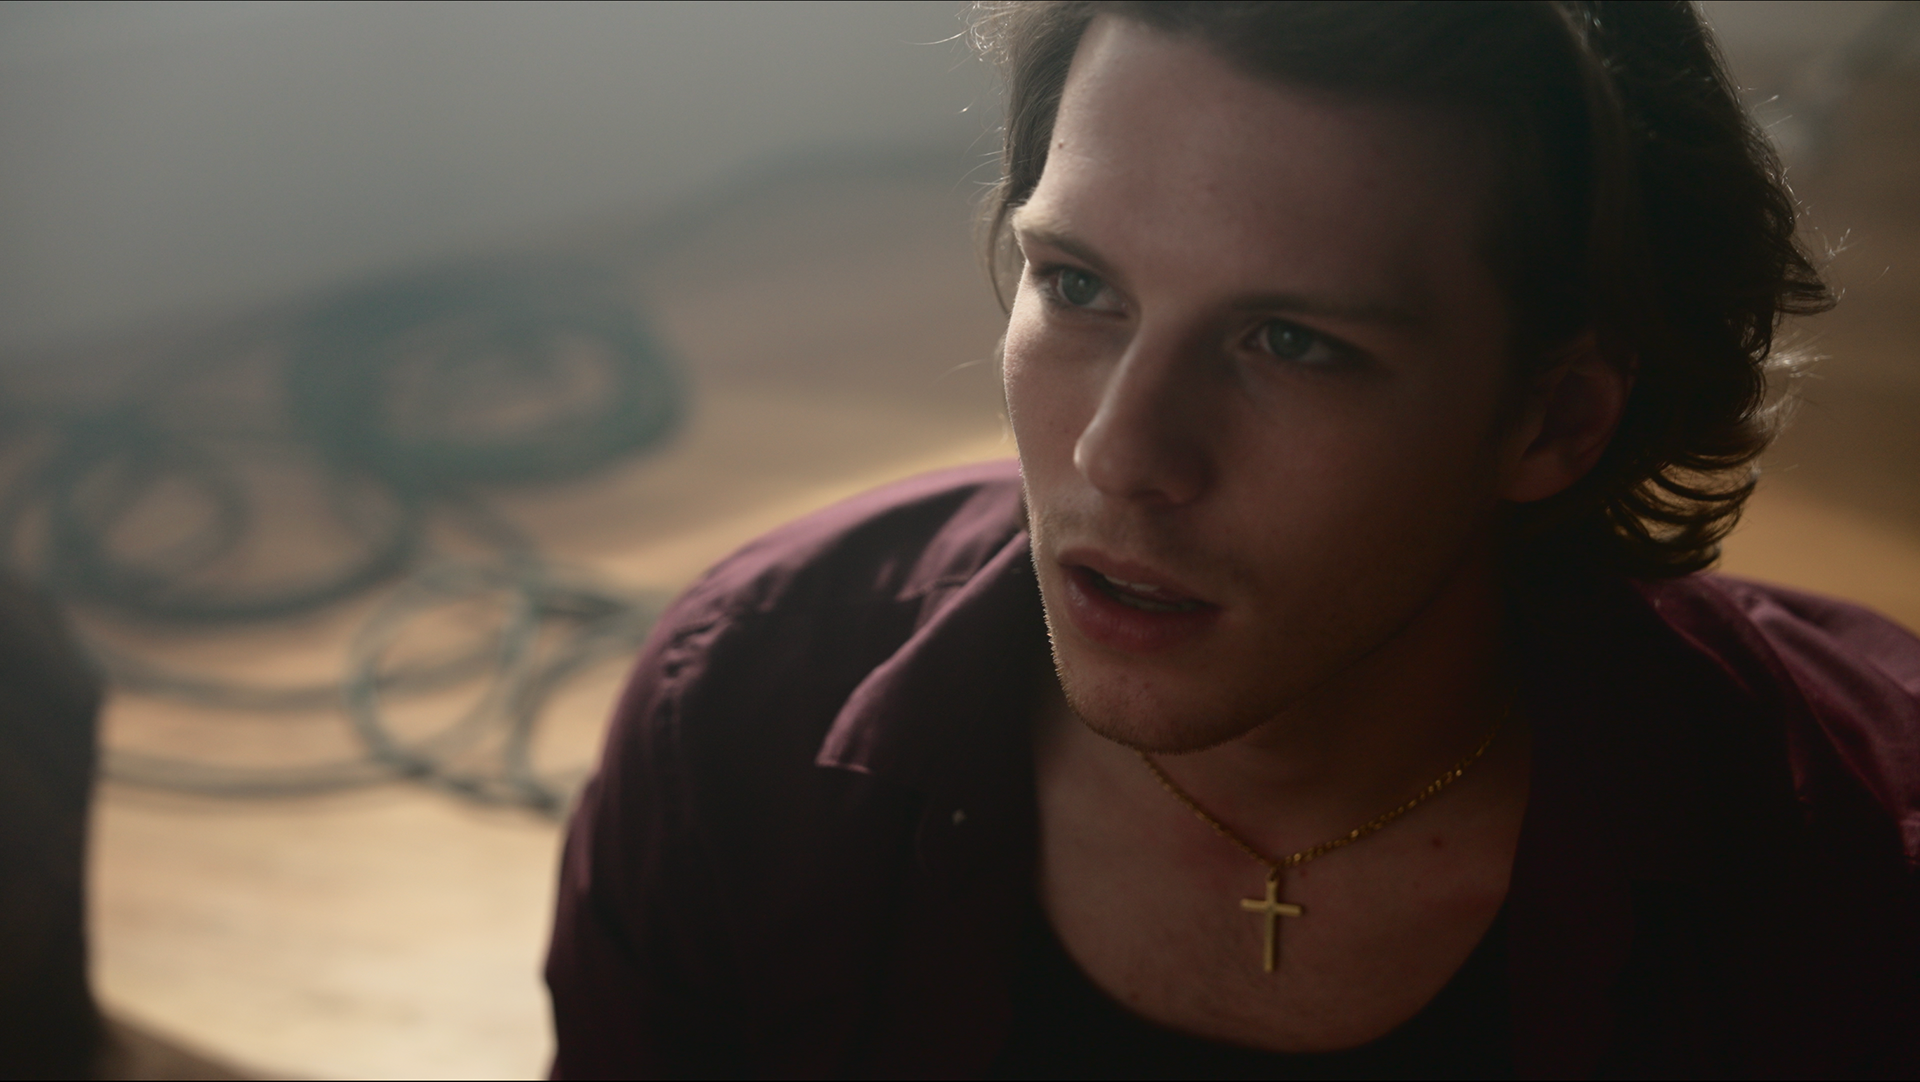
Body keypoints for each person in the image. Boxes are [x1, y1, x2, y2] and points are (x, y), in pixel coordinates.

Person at [545, 2, 1920, 1077]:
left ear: (1554, 419)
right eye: (1077, 285)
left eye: (1291, 342)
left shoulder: (1854, 894)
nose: (1120, 455)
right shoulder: (736, 719)